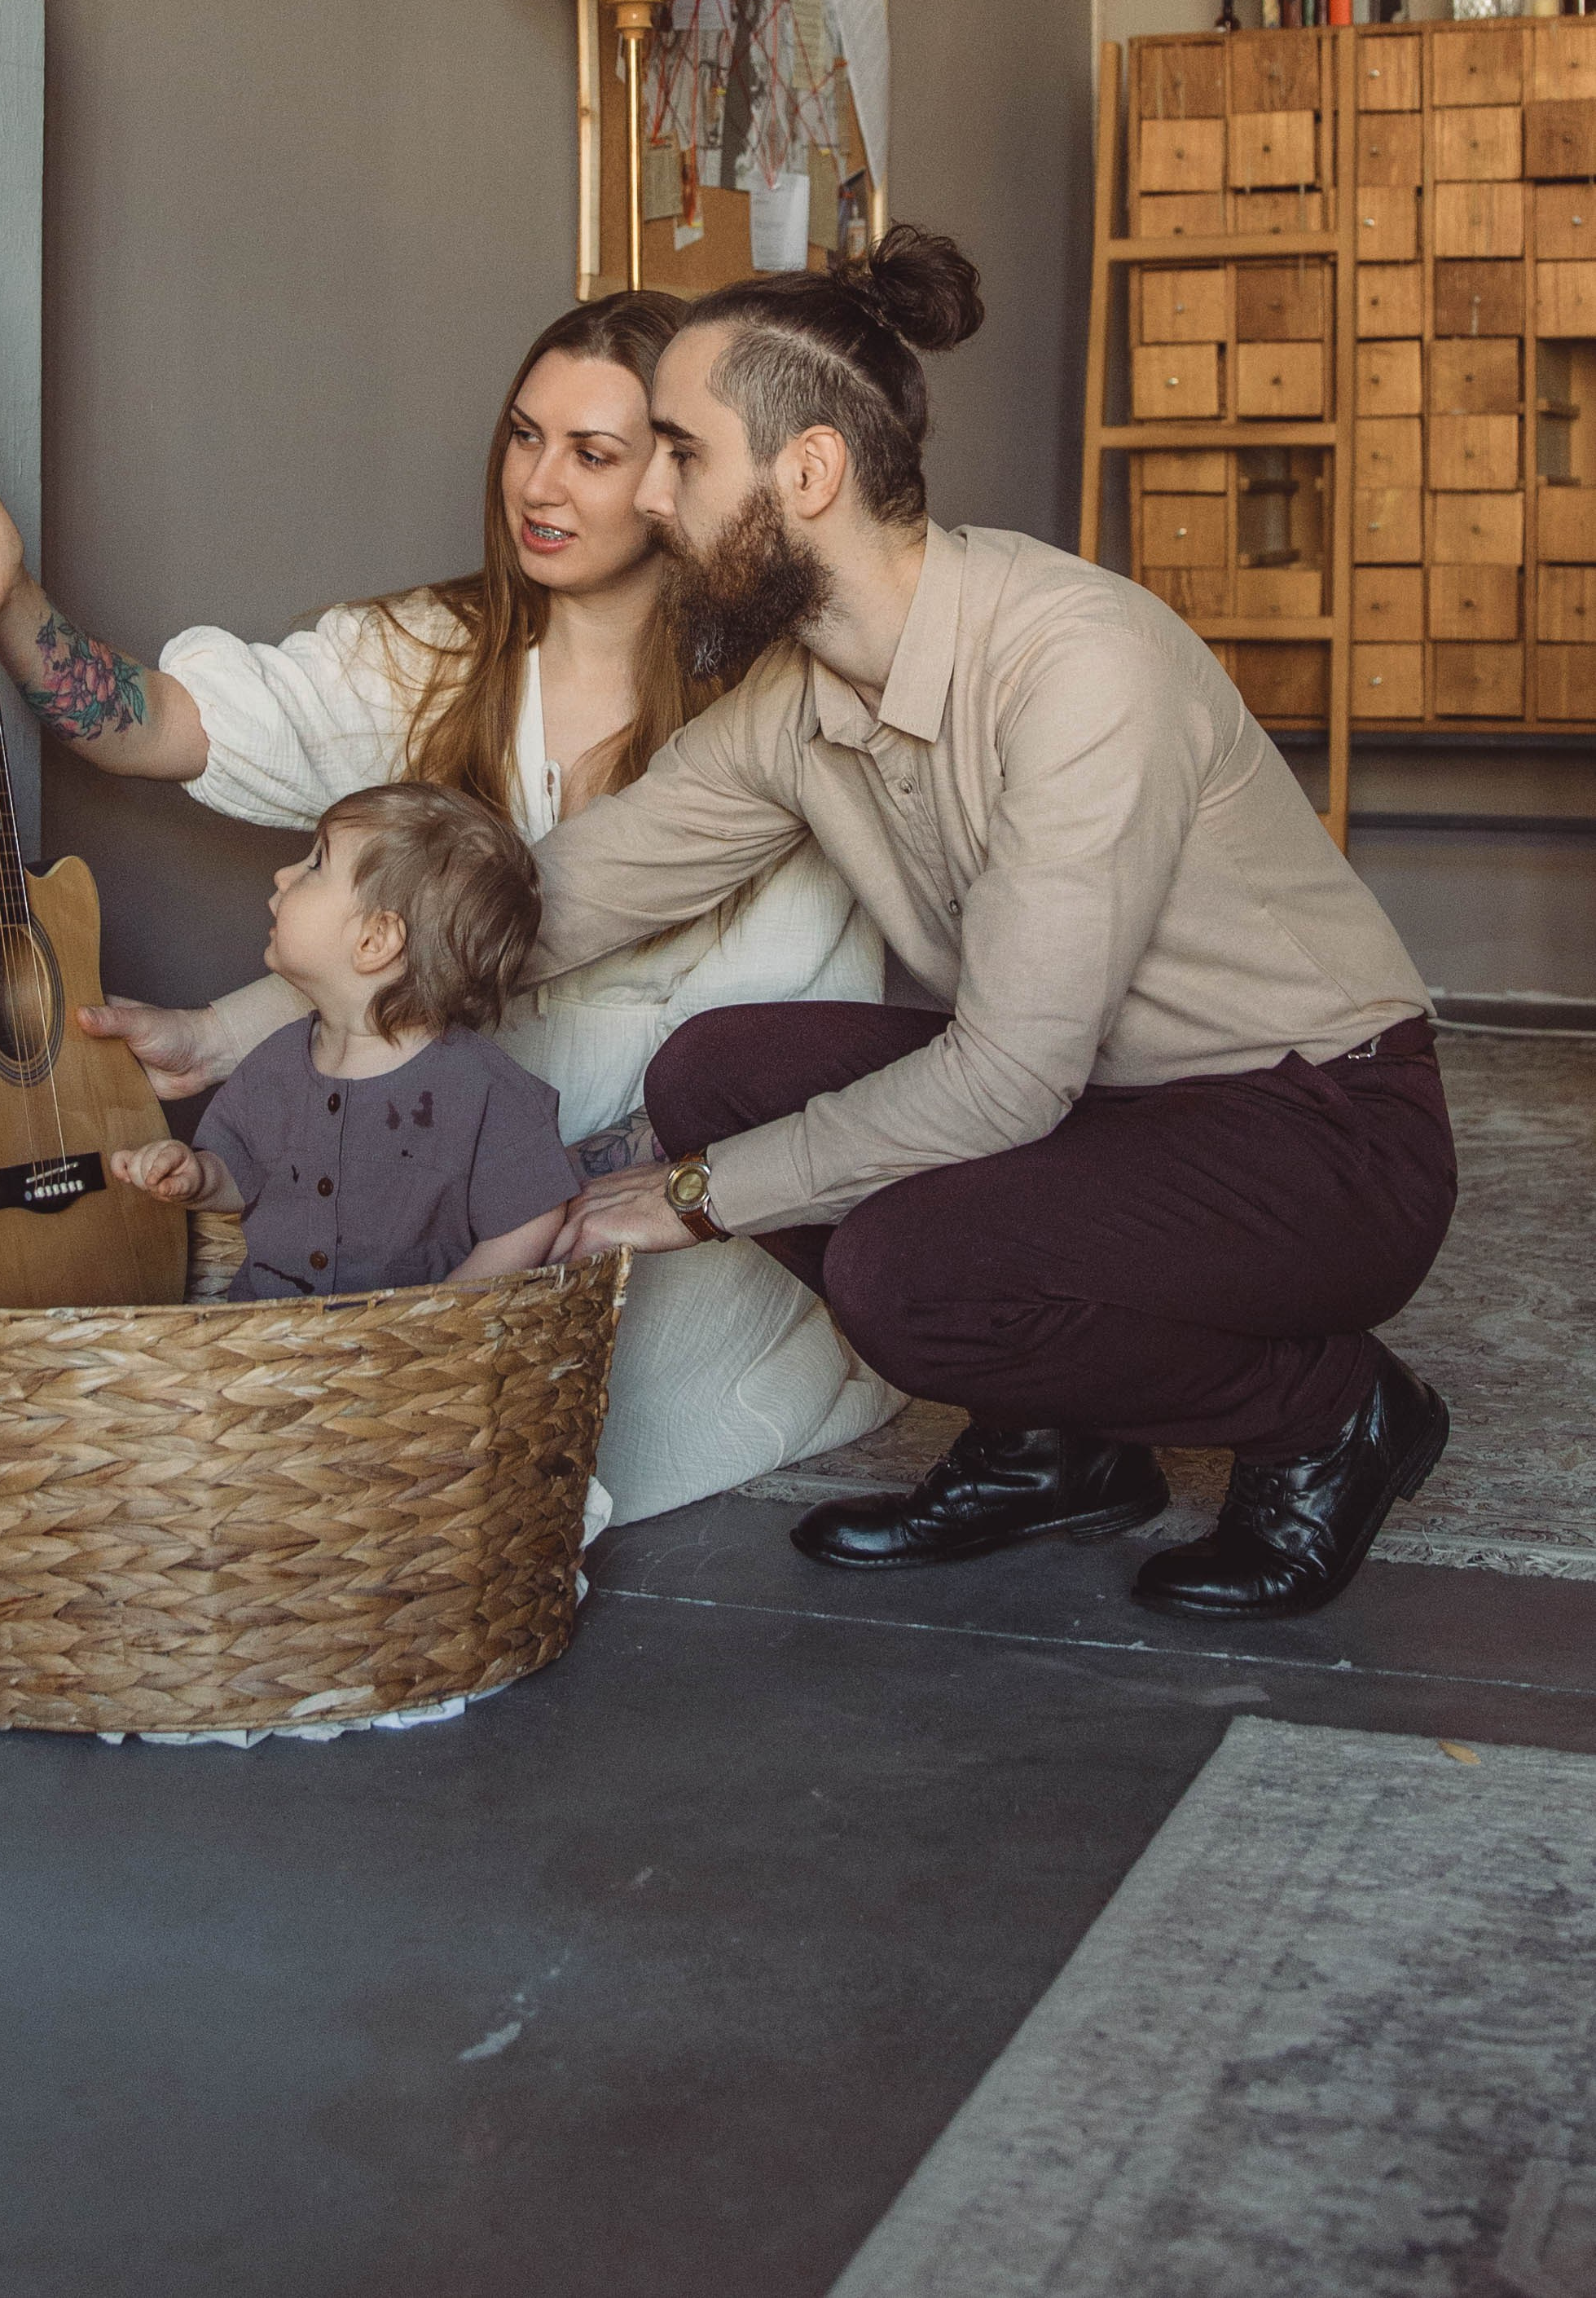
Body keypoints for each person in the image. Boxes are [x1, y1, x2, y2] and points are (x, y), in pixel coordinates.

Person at [538, 227, 1458, 1622]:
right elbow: (573, 888)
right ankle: (1057, 1443)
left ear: (807, 474)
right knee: (712, 1075)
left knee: (906, 1274)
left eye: (680, 451)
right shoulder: (802, 697)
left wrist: (688, 1197)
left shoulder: (1076, 661)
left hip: (1323, 1133)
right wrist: (276, 997)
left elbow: (1013, 1074)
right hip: (1118, 1112)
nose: (652, 497)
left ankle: (1329, 1411)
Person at [0, 292, 898, 1517]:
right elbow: (156, 725)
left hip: (656, 1210)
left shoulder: (774, 721)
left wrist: (503, 1201)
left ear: (676, 475)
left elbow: (769, 1050)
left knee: (508, 1480)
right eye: (523, 436)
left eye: (594, 454)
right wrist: (7, 596)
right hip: (409, 1191)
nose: (537, 484)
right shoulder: (429, 655)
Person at [113, 783, 578, 1301]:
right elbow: (242, 1170)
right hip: (266, 1338)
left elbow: (534, 1213)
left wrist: (448, 1312)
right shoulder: (277, 1061)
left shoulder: (484, 1089)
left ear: (374, 942)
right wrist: (199, 1176)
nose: (283, 875)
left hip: (406, 1365)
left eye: (315, 864)